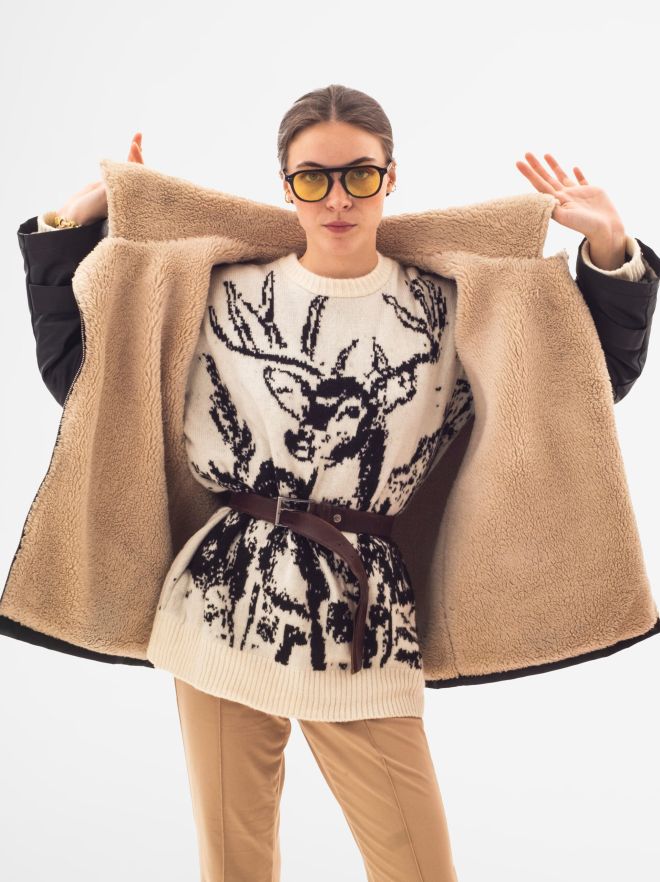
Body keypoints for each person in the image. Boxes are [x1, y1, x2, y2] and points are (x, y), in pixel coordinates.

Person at [16, 85, 658, 882]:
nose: (338, 198)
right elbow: (92, 388)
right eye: (313, 178)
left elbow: (572, 393)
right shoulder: (224, 294)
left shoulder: (446, 308)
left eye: (359, 174)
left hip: (364, 620)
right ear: (287, 186)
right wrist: (76, 226)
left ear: (391, 178)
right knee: (235, 868)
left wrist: (610, 249)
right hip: (219, 602)